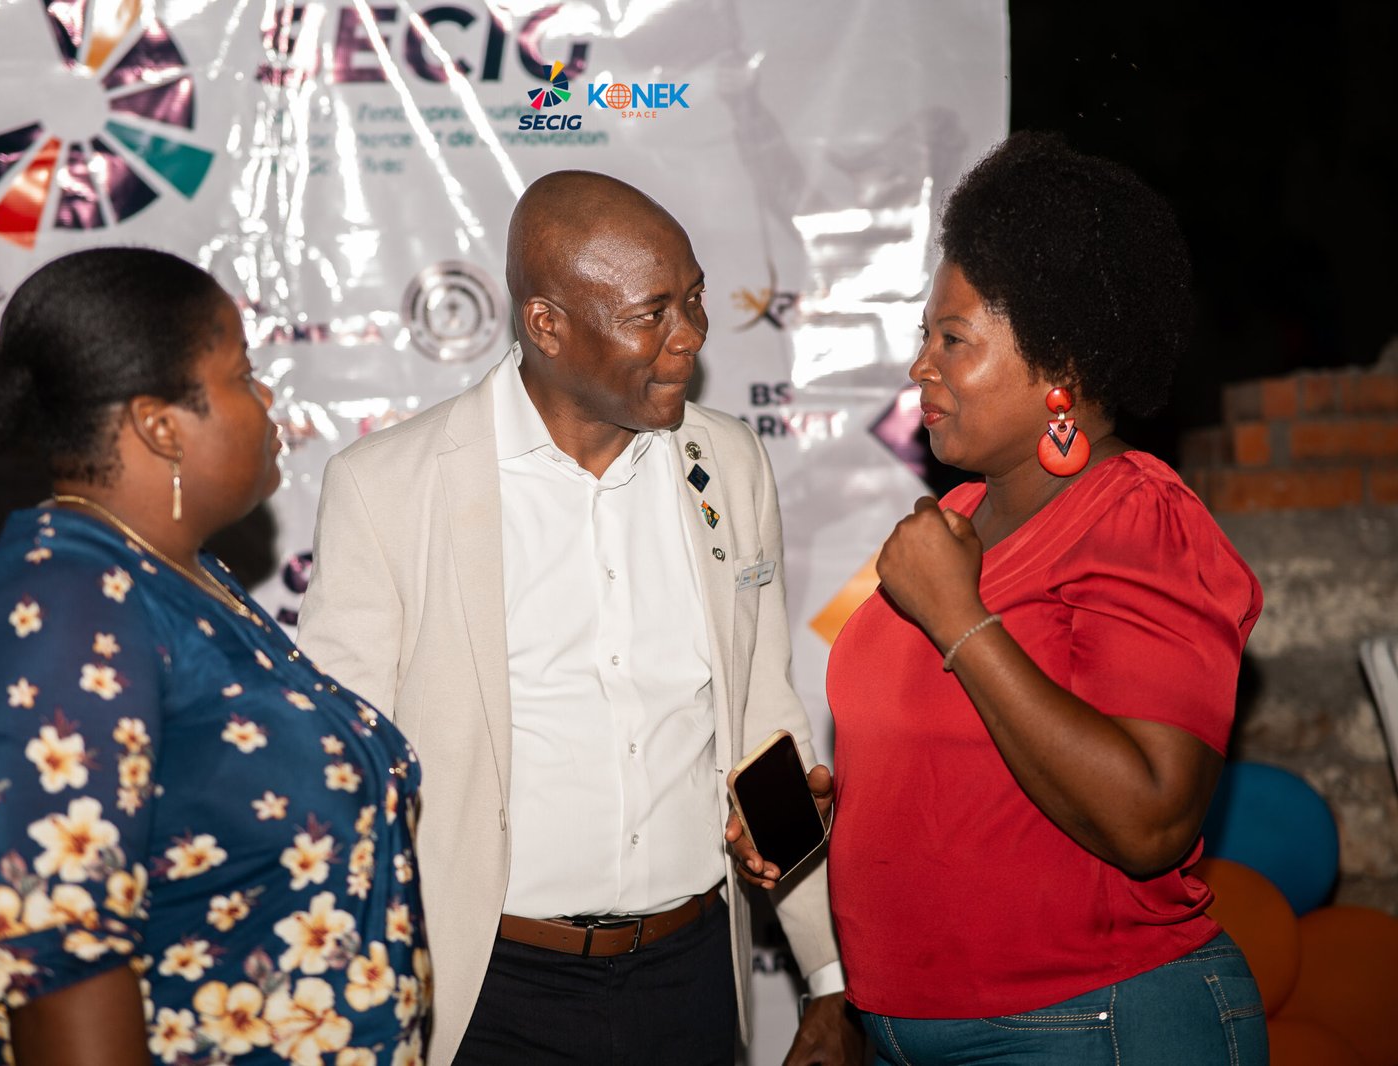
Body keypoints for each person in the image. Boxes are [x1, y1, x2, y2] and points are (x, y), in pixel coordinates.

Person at [296, 171, 861, 1065]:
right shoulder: (388, 487)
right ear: (547, 324)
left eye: (694, 299)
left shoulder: (728, 461)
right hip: (488, 993)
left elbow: (761, 711)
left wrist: (827, 976)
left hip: (690, 977)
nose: (691, 335)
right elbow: (342, 772)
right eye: (651, 314)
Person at [0, 248, 427, 1066]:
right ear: (160, 425)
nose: (268, 401)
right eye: (243, 377)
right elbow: (63, 970)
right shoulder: (63, 606)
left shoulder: (180, 579)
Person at [826, 132, 1268, 1064]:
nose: (921, 367)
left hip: (1092, 1024)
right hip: (905, 1031)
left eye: (953, 339)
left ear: (1058, 366)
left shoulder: (1138, 518)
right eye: (924, 337)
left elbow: (1152, 817)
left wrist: (960, 620)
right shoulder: (954, 521)